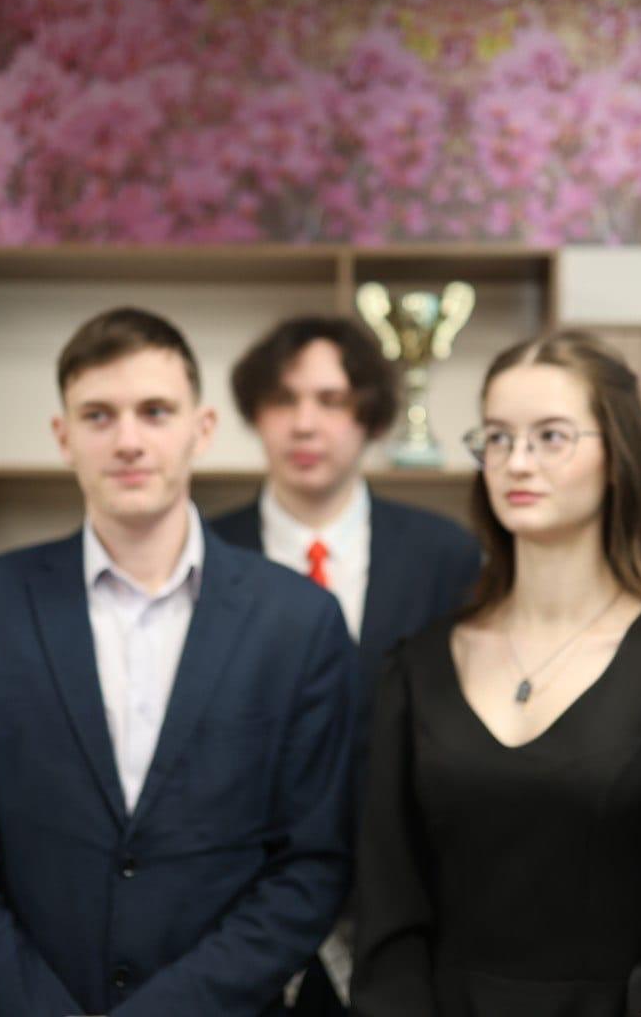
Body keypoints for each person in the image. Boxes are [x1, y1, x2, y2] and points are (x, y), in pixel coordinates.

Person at [0, 307, 356, 1016]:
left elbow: (311, 866)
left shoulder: (300, 622)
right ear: (64, 437)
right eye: (99, 416)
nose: (128, 441)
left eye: (155, 412)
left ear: (202, 430)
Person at [352, 328, 641, 1017]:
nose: (517, 462)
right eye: (498, 438)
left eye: (551, 437)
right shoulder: (417, 665)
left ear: (617, 457)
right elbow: (390, 909)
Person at [213, 315, 480, 1015]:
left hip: (406, 919)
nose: (305, 424)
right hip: (235, 916)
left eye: (331, 401)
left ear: (372, 417)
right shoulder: (204, 553)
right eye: (283, 400)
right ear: (254, 414)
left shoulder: (445, 555)